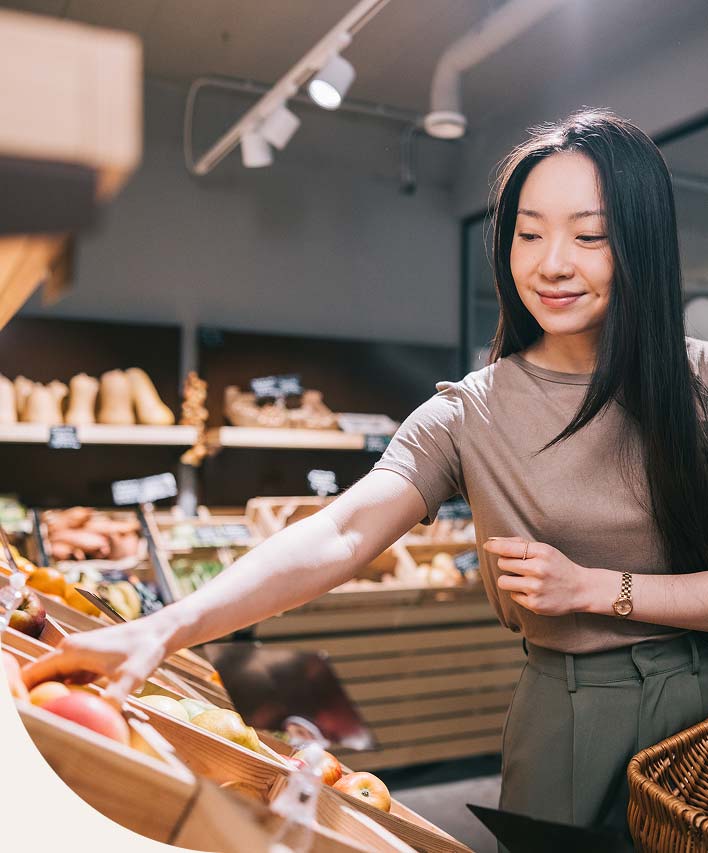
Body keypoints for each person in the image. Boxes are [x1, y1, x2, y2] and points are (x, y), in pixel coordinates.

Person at [24, 109, 708, 841]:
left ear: (637, 240)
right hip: (566, 720)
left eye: (590, 234)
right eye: (529, 233)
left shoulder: (697, 380)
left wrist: (597, 588)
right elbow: (341, 531)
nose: (552, 263)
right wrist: (160, 631)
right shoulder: (468, 414)